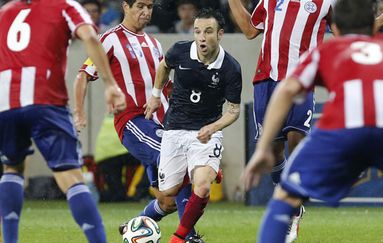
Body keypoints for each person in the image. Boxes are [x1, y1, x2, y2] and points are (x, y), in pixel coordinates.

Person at [243, 0, 383, 242]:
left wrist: (262, 148)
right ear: (374, 30)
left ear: (337, 31)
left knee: (286, 196)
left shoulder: (327, 51)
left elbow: (288, 88)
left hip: (343, 131)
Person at [73, 0, 204, 241]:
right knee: (180, 161)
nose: (146, 12)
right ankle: (188, 236)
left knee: (168, 198)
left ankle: (134, 225)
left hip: (166, 123)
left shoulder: (154, 44)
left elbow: (166, 86)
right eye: (140, 6)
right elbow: (83, 75)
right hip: (134, 121)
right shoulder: (109, 39)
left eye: (150, 7)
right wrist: (79, 112)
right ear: (125, 6)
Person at [0, 0, 126, 243]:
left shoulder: (4, 12)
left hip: (6, 102)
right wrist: (110, 83)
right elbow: (89, 36)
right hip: (45, 99)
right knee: (70, 176)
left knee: (12, 167)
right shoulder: (63, 5)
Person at [145, 8, 242, 243]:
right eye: (197, 31)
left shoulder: (230, 67)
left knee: (202, 187)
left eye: (208, 31)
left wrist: (214, 127)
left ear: (220, 34)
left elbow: (234, 111)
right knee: (168, 195)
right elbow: (163, 66)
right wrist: (156, 94)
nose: (201, 37)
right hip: (175, 129)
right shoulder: (180, 50)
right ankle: (139, 222)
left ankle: (180, 237)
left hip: (205, 134)